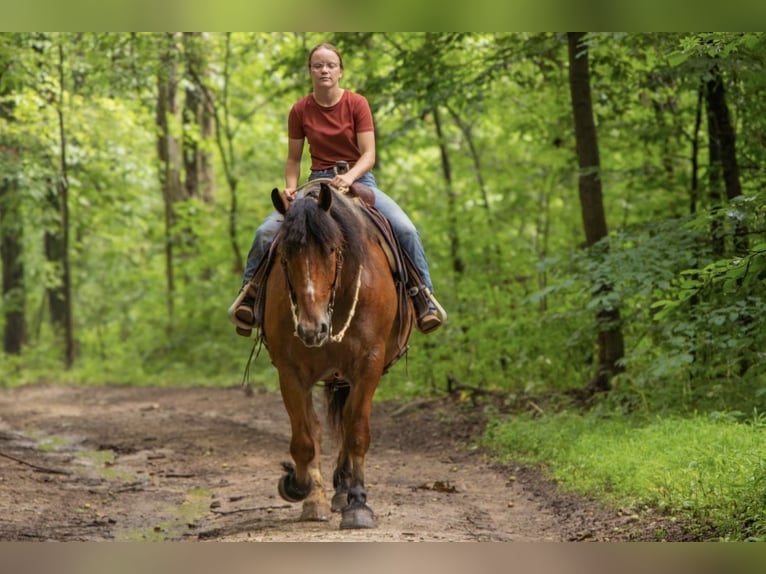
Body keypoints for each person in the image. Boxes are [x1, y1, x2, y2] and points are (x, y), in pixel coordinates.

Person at [232, 42, 444, 335]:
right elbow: (293, 158)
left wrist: (350, 177)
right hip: (317, 183)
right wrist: (291, 189)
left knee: (405, 228)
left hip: (359, 181)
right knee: (265, 232)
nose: (324, 70)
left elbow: (369, 154)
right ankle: (250, 297)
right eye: (318, 65)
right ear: (310, 71)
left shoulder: (357, 103)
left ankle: (424, 298)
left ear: (340, 71)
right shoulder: (299, 110)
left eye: (330, 65)